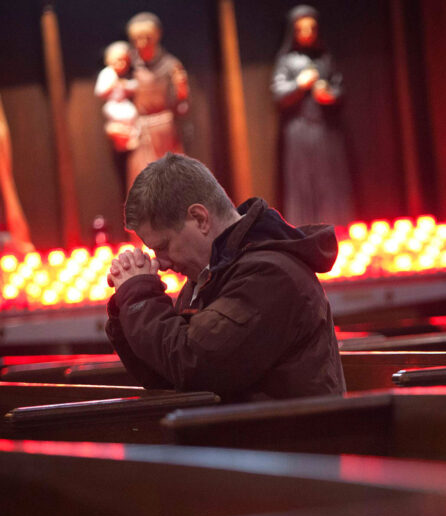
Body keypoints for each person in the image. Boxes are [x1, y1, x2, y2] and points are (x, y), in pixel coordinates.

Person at [105, 153, 346, 401]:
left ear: (200, 218)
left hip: (280, 437)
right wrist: (127, 305)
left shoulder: (270, 275)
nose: (162, 263)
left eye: (163, 246)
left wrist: (139, 296)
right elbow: (167, 374)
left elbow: (197, 364)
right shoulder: (211, 275)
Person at [271, 4, 355, 227]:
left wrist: (330, 95)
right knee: (302, 183)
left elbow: (340, 87)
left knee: (330, 182)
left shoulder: (325, 59)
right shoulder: (287, 61)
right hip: (299, 131)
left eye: (311, 29)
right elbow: (278, 93)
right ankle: (307, 229)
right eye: (301, 29)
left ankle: (337, 226)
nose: (307, 34)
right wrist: (299, 85)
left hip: (326, 129)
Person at [124, 12, 189, 192]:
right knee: (143, 185)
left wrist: (181, 93)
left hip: (167, 130)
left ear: (157, 35)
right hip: (141, 130)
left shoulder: (171, 65)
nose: (142, 43)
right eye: (137, 39)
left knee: (173, 183)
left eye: (147, 37)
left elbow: (182, 106)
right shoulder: (129, 65)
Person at [94, 41, 139, 152]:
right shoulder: (107, 73)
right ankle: (121, 141)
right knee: (118, 121)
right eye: (119, 60)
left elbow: (133, 87)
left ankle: (131, 138)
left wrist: (126, 85)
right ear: (108, 60)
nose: (122, 64)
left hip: (123, 103)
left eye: (125, 62)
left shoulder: (123, 77)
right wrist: (112, 85)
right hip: (113, 105)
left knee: (132, 115)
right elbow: (99, 91)